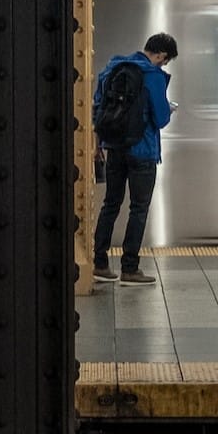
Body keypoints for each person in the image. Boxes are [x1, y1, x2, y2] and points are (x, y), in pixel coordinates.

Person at [90, 32, 177, 287]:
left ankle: (100, 263)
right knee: (138, 208)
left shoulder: (112, 68)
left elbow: (97, 108)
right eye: (165, 60)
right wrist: (168, 108)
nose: (163, 64)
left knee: (110, 204)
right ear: (160, 54)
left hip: (114, 148)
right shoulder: (153, 76)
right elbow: (160, 118)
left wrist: (98, 145)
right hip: (143, 151)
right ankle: (130, 268)